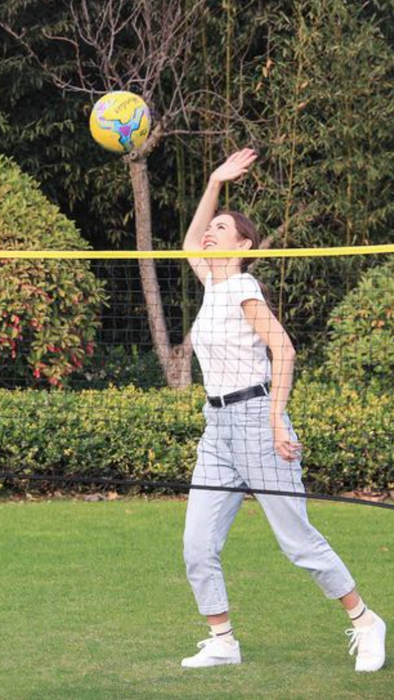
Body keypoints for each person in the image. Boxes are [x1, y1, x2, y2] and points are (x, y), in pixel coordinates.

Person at [179, 148, 386, 672]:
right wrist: (213, 184)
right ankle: (223, 640)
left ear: (243, 245)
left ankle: (365, 621)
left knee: (297, 541)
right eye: (213, 226)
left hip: (255, 419)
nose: (211, 232)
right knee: (197, 545)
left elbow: (285, 349)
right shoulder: (212, 286)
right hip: (216, 427)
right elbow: (187, 243)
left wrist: (276, 419)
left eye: (221, 228)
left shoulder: (243, 285)